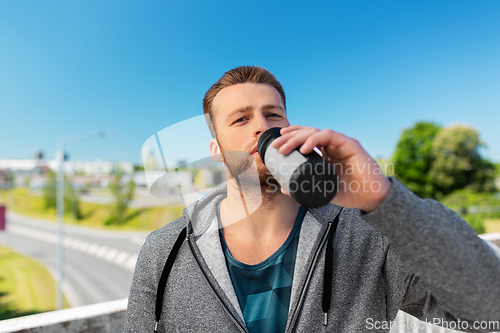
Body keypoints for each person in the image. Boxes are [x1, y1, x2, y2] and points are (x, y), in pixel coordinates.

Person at [124, 66, 500, 333]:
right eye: (240, 119)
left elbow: (492, 311)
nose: (261, 126)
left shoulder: (368, 237)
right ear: (216, 149)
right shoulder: (165, 252)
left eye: (273, 114)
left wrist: (383, 198)